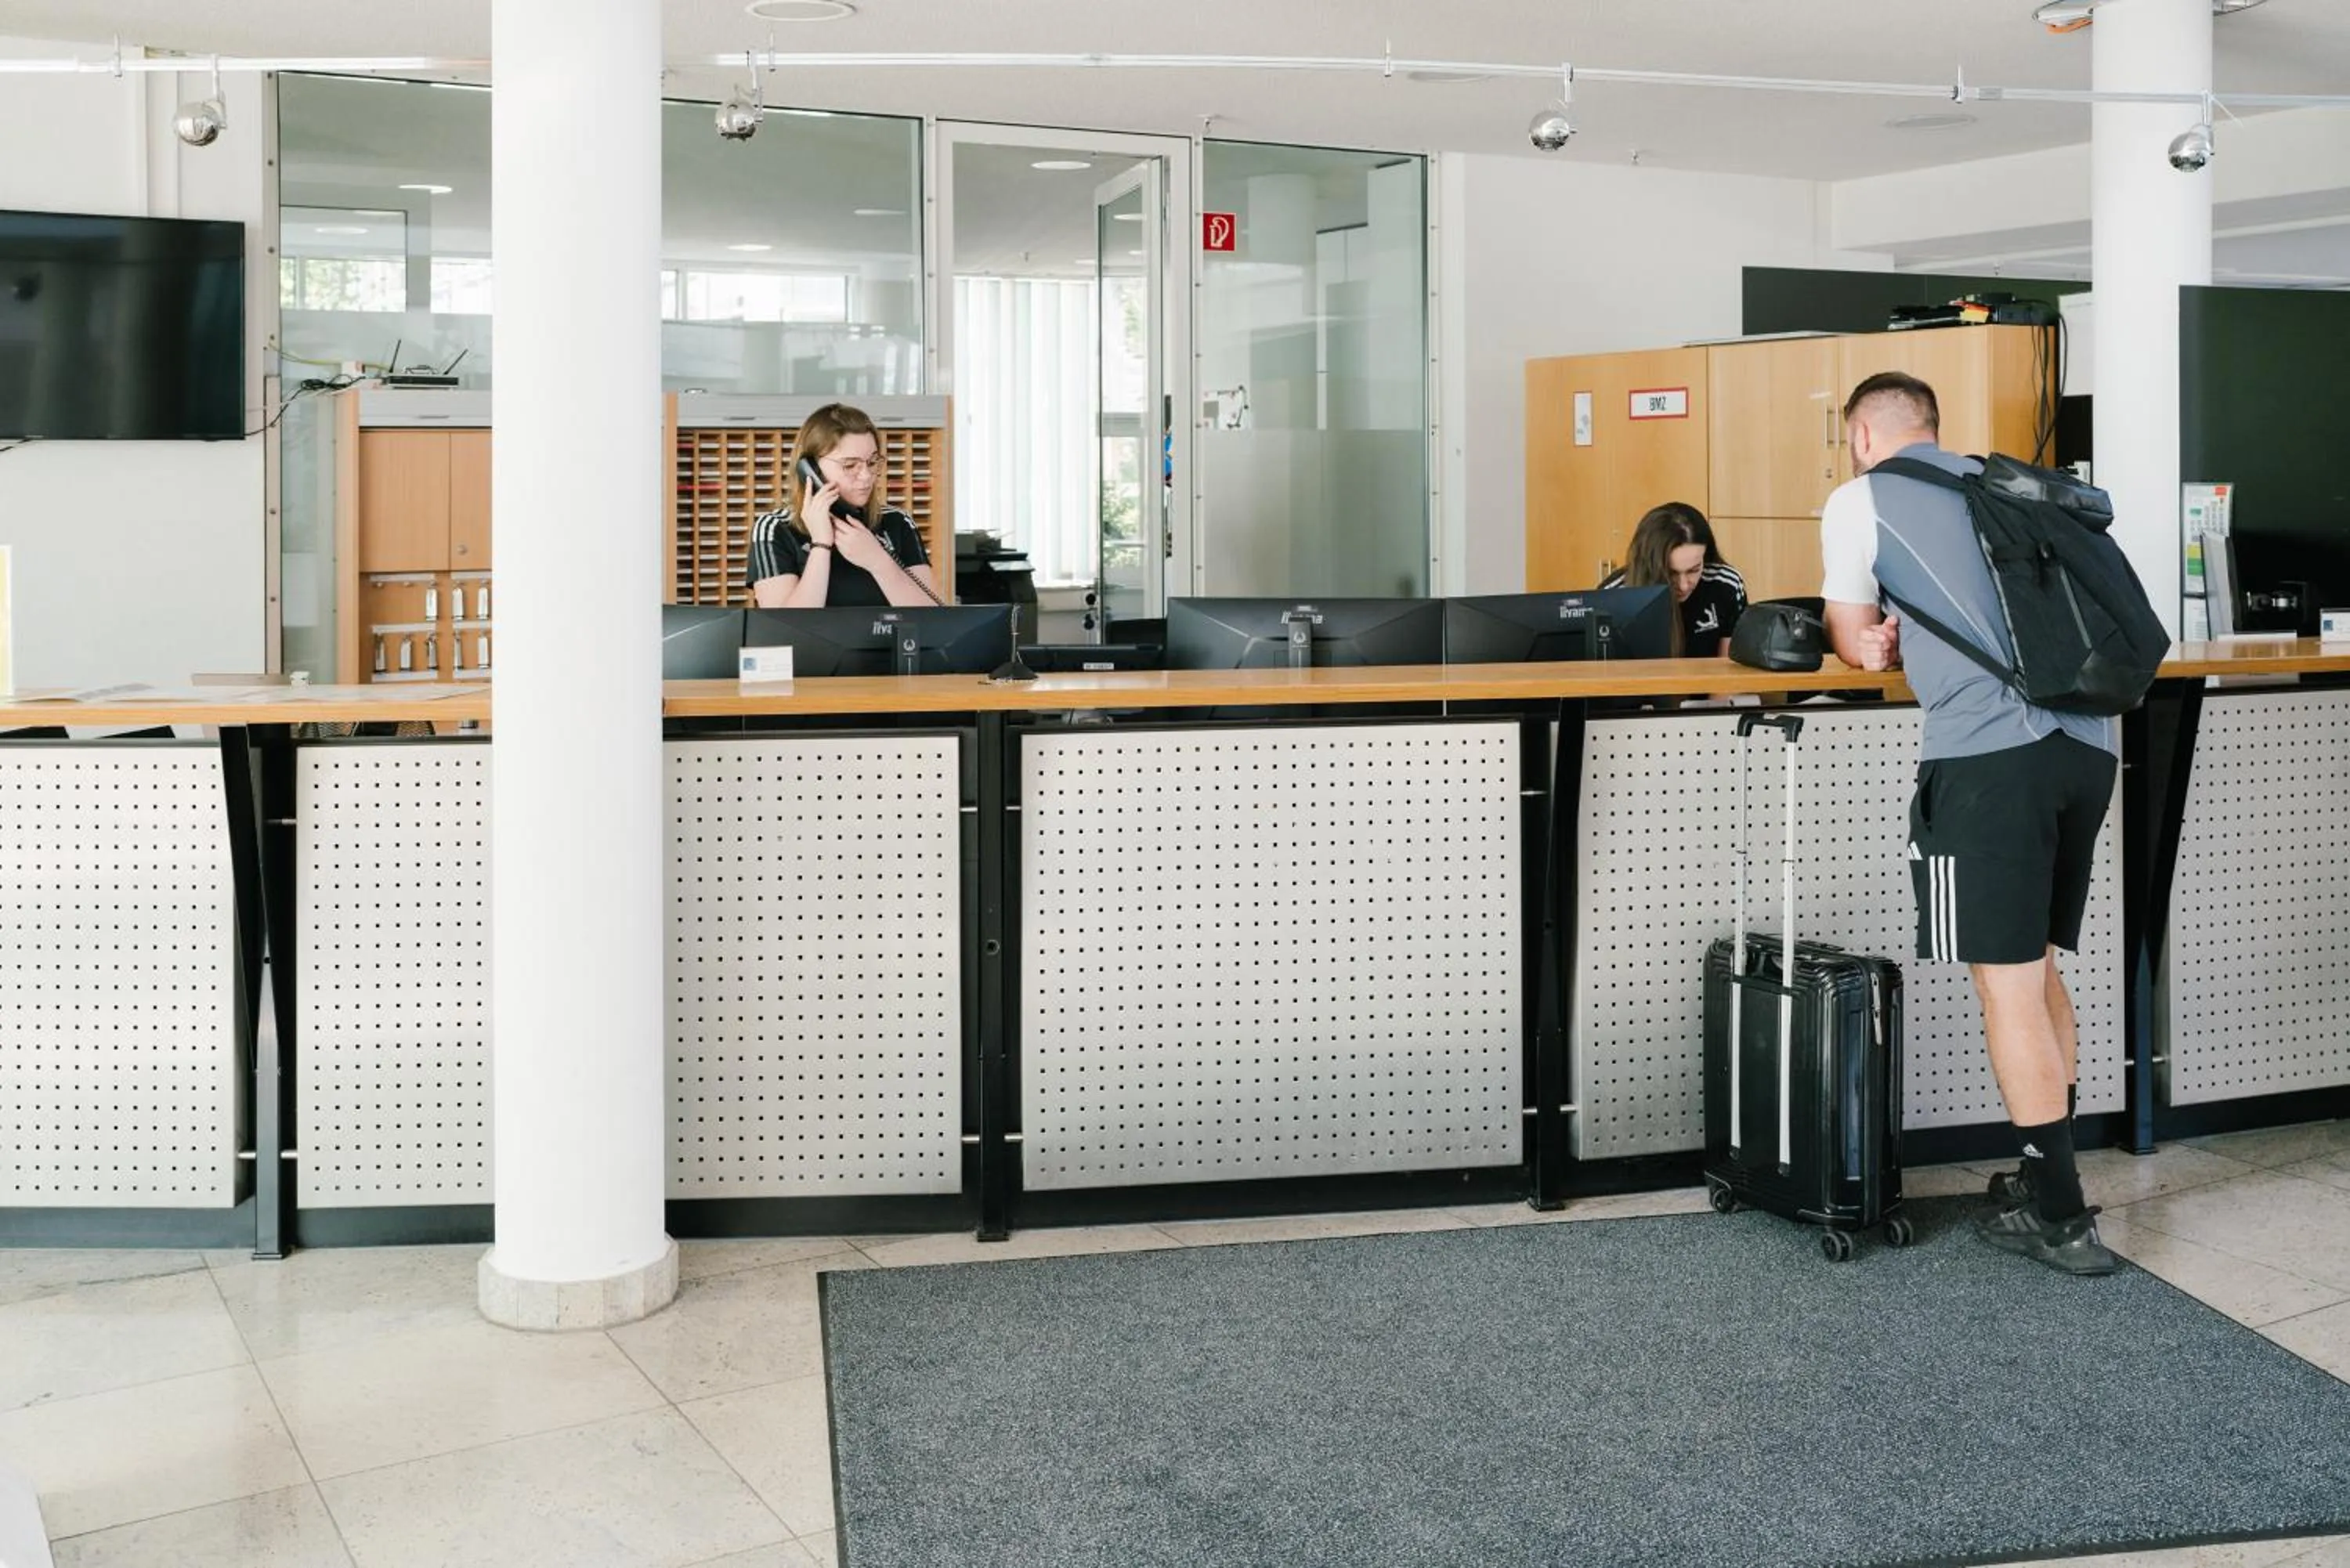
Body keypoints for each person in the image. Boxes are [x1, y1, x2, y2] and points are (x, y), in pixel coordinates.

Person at [1820, 370, 2119, 1276]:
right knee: (2037, 969)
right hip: (2088, 746)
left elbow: (1850, 632)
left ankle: (2060, 1219)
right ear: (1934, 428)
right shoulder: (2003, 486)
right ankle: (2043, 1173)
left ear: (1862, 435)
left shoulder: (1862, 499)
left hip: (1989, 761)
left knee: (2008, 986)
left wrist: (1869, 642)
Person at [748, 403, 944, 609]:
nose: (866, 476)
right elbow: (785, 624)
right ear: (811, 470)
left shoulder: (898, 522)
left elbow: (931, 618)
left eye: (872, 462)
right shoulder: (775, 529)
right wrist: (821, 545)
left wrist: (879, 561)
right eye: (850, 465)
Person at [1599, 503, 1747, 656]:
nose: (1683, 586)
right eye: (1671, 573)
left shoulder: (1726, 585)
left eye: (1694, 570)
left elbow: (1728, 666)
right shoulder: (1613, 596)